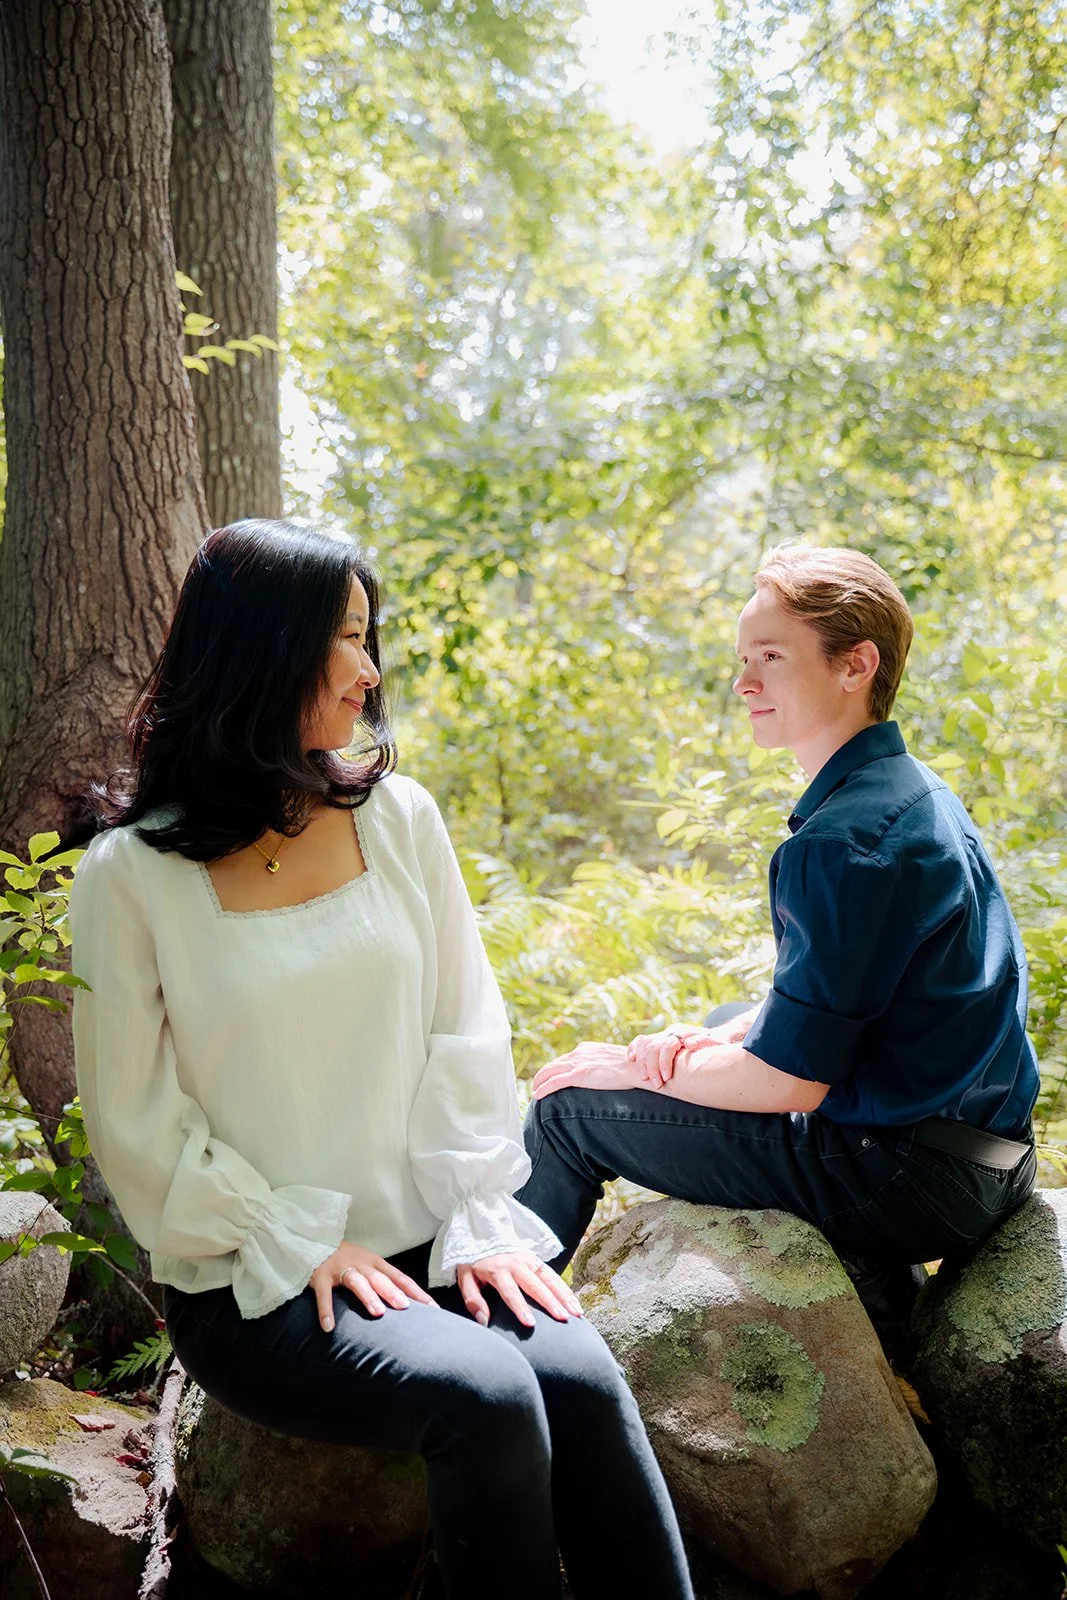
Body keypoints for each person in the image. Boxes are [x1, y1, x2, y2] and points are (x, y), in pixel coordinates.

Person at [68, 520, 694, 1600]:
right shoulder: (129, 876)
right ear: (269, 649)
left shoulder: (399, 819)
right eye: (347, 638)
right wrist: (294, 1236)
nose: (370, 669)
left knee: (582, 1381)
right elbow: (135, 1122)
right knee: (487, 1397)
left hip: (435, 1238)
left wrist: (476, 1217)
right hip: (258, 1277)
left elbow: (467, 1028)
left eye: (369, 637)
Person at [518, 544, 1039, 1356]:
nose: (743, 683)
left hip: (911, 1184)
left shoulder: (843, 841)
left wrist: (626, 1068)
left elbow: (789, 1081)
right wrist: (694, 1046)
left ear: (853, 665)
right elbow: (840, 1000)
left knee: (565, 1112)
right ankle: (876, 1294)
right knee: (725, 1019)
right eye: (742, 659)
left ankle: (502, 1344)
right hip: (993, 1156)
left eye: (768, 657)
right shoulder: (912, 791)